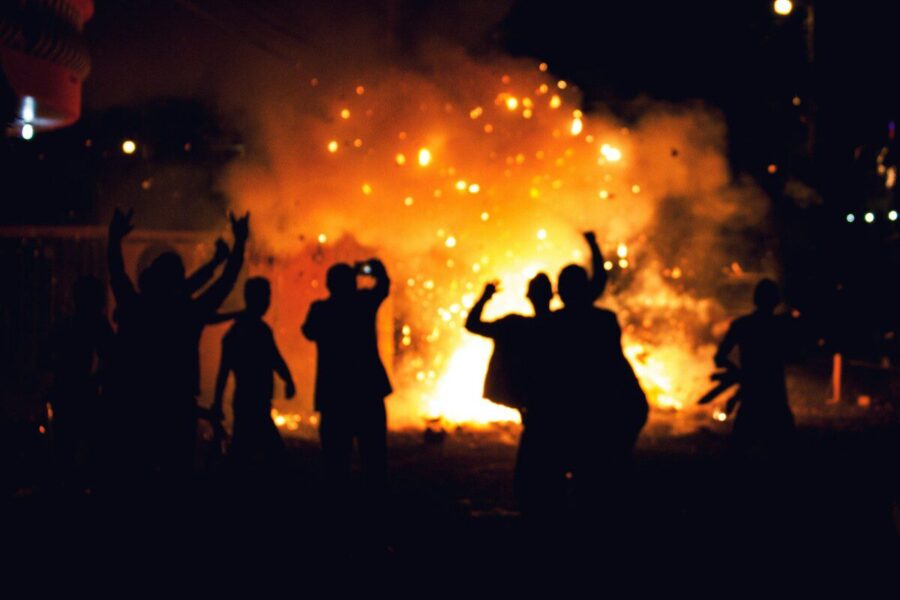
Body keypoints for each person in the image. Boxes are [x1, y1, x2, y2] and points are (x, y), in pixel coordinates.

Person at [465, 232, 608, 520]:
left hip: (541, 412)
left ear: (529, 295)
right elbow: (595, 289)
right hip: (565, 409)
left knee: (534, 474)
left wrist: (485, 297)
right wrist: (594, 247)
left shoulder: (516, 326)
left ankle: (542, 523)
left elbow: (472, 325)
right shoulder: (564, 323)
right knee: (570, 471)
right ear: (554, 295)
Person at [106, 208, 249, 481]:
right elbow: (225, 283)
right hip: (177, 403)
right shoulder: (188, 312)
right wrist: (239, 244)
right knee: (176, 474)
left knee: (137, 474)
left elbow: (117, 273)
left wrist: (114, 239)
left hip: (138, 402)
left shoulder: (137, 308)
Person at [553, 240, 647, 523]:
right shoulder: (604, 319)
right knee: (607, 470)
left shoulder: (556, 324)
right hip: (614, 401)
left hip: (587, 406)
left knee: (588, 471)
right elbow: (597, 286)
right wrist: (593, 245)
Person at [301, 259, 392, 496]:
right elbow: (383, 286)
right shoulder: (362, 302)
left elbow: (308, 331)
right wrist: (372, 268)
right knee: (373, 459)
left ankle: (338, 509)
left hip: (334, 396)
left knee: (335, 461)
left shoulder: (321, 310)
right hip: (367, 393)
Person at [211, 277, 296, 466]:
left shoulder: (238, 331)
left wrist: (217, 402)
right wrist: (288, 379)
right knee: (269, 454)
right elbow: (274, 359)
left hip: (246, 400)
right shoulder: (257, 330)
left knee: (243, 450)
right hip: (254, 401)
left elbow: (224, 371)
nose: (267, 302)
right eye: (265, 297)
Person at [43, 276, 114, 490]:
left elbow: (43, 358)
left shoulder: (65, 324)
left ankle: (65, 497)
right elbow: (113, 358)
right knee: (89, 451)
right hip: (84, 394)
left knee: (66, 451)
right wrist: (94, 381)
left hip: (66, 393)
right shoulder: (96, 325)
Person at [713, 278, 795, 456]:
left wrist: (739, 372)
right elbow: (795, 356)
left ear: (755, 300)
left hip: (752, 396)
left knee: (741, 450)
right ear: (776, 301)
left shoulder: (742, 325)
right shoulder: (781, 326)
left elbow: (719, 358)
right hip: (775, 397)